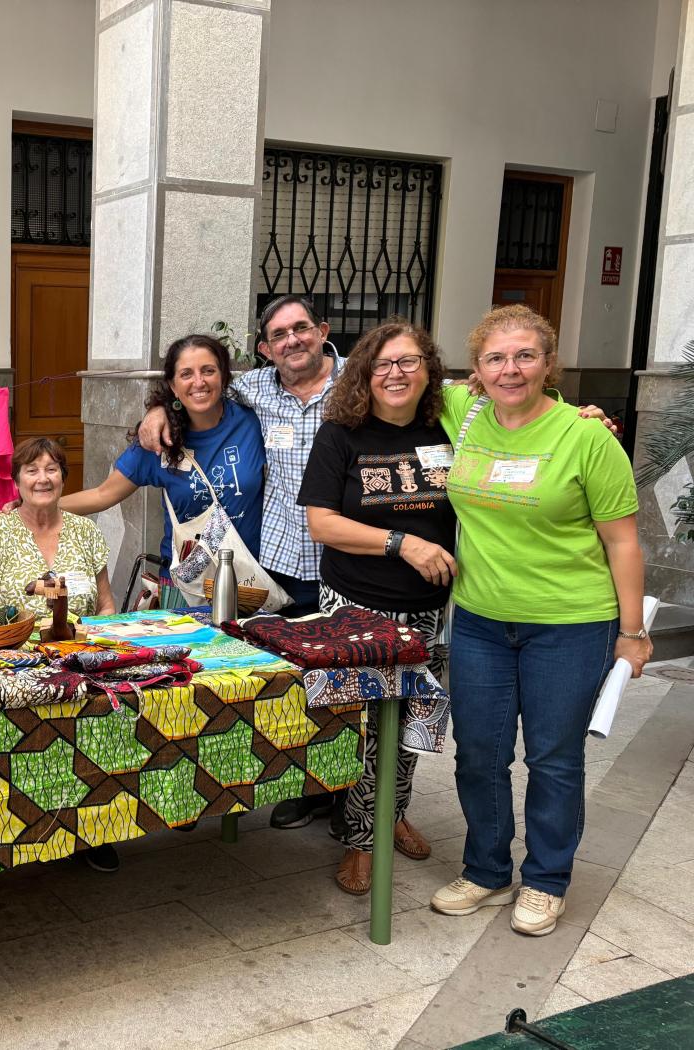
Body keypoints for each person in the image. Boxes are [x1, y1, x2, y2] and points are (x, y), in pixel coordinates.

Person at [429, 305, 651, 937]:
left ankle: (547, 880)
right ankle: (488, 871)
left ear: (549, 363)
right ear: (476, 370)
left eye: (525, 355)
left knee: (553, 757)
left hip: (571, 624)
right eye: (496, 358)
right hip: (478, 621)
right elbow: (374, 373)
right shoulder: (460, 412)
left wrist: (633, 635)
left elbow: (624, 543)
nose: (511, 369)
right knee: (478, 753)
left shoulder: (586, 437)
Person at [139, 297, 343, 831]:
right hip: (279, 566)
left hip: (345, 563)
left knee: (345, 684)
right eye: (280, 334)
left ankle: (353, 801)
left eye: (302, 328)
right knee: (289, 685)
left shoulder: (360, 383)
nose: (293, 340)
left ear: (322, 331)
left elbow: (441, 393)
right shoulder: (256, 389)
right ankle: (304, 784)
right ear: (264, 349)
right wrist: (157, 408)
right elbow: (191, 386)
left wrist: (564, 406)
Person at [297, 318, 456, 894]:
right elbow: (321, 522)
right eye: (384, 363)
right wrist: (402, 543)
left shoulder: (448, 428)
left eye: (409, 361)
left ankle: (390, 815)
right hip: (357, 609)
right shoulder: (342, 434)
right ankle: (361, 842)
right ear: (366, 372)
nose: (396, 373)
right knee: (365, 732)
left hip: (428, 612)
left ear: (428, 370)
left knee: (413, 728)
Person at [62, 333, 266, 591]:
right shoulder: (159, 440)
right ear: (172, 385)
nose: (199, 382)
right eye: (186, 374)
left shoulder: (253, 422)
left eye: (208, 370)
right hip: (187, 585)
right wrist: (32, 508)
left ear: (223, 375)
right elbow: (103, 494)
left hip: (248, 581)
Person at [0, 437, 114, 620]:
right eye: (31, 471)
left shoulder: (87, 531)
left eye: (51, 469)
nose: (43, 479)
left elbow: (106, 608)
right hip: (13, 646)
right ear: (16, 482)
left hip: (81, 645)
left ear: (63, 479)